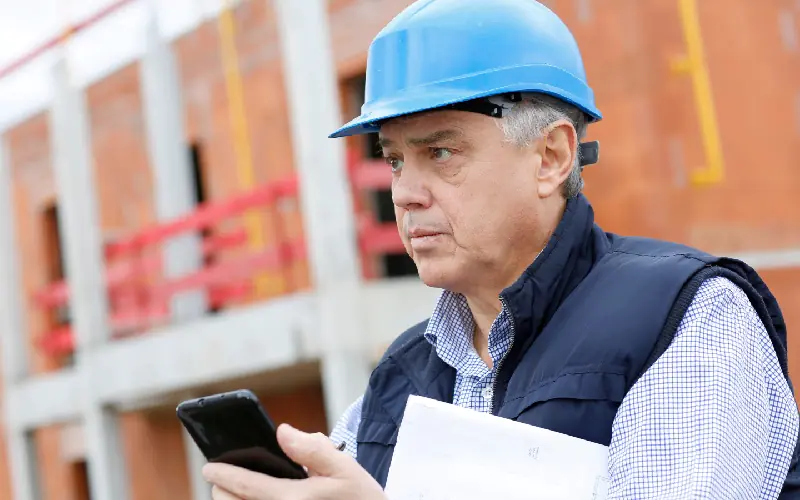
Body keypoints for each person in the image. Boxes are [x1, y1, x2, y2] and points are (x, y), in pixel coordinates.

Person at [202, 0, 800, 498]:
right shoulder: (396, 382)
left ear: (551, 157)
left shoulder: (687, 318)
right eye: (392, 160)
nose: (404, 194)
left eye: (441, 153)